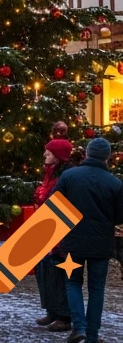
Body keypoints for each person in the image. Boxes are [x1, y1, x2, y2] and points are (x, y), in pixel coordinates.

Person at [56, 137, 123, 343]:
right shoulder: (115, 183)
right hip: (101, 244)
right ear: (108, 158)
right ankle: (92, 334)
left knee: (72, 283)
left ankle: (79, 328)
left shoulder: (69, 176)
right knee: (97, 289)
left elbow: (54, 205)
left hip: (72, 241)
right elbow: (120, 217)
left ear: (87, 153)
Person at [33, 138, 73, 332]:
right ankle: (52, 309)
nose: (44, 155)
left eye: (48, 153)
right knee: (44, 271)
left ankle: (64, 315)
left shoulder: (64, 177)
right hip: (46, 228)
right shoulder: (49, 174)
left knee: (57, 272)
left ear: (57, 157)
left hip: (58, 232)